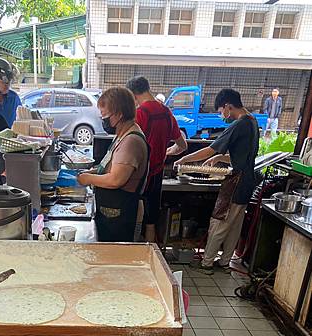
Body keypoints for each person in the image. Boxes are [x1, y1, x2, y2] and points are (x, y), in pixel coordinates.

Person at [175, 88, 259, 275]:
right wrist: (221, 159)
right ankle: (224, 262)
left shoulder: (239, 124)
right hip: (247, 181)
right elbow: (243, 157)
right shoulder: (252, 122)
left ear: (228, 106)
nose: (222, 115)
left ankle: (206, 263)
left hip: (235, 182)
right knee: (234, 225)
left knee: (219, 222)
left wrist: (184, 159)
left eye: (221, 110)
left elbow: (209, 149)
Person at [77, 87, 149, 242]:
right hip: (111, 212)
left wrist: (88, 178)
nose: (103, 120)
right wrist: (94, 171)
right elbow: (111, 166)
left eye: (105, 115)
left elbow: (116, 180)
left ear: (119, 114)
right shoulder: (121, 135)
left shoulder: (131, 141)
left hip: (120, 215)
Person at [127, 76, 187, 242]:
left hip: (139, 176)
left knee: (135, 218)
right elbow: (182, 146)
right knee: (151, 220)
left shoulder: (141, 113)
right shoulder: (167, 112)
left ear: (133, 94)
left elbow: (129, 146)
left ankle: (132, 257)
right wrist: (165, 151)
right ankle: (151, 260)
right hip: (157, 174)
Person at [0, 58, 21, 129]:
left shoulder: (14, 97)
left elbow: (22, 118)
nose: (8, 85)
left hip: (12, 138)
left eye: (9, 82)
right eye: (5, 82)